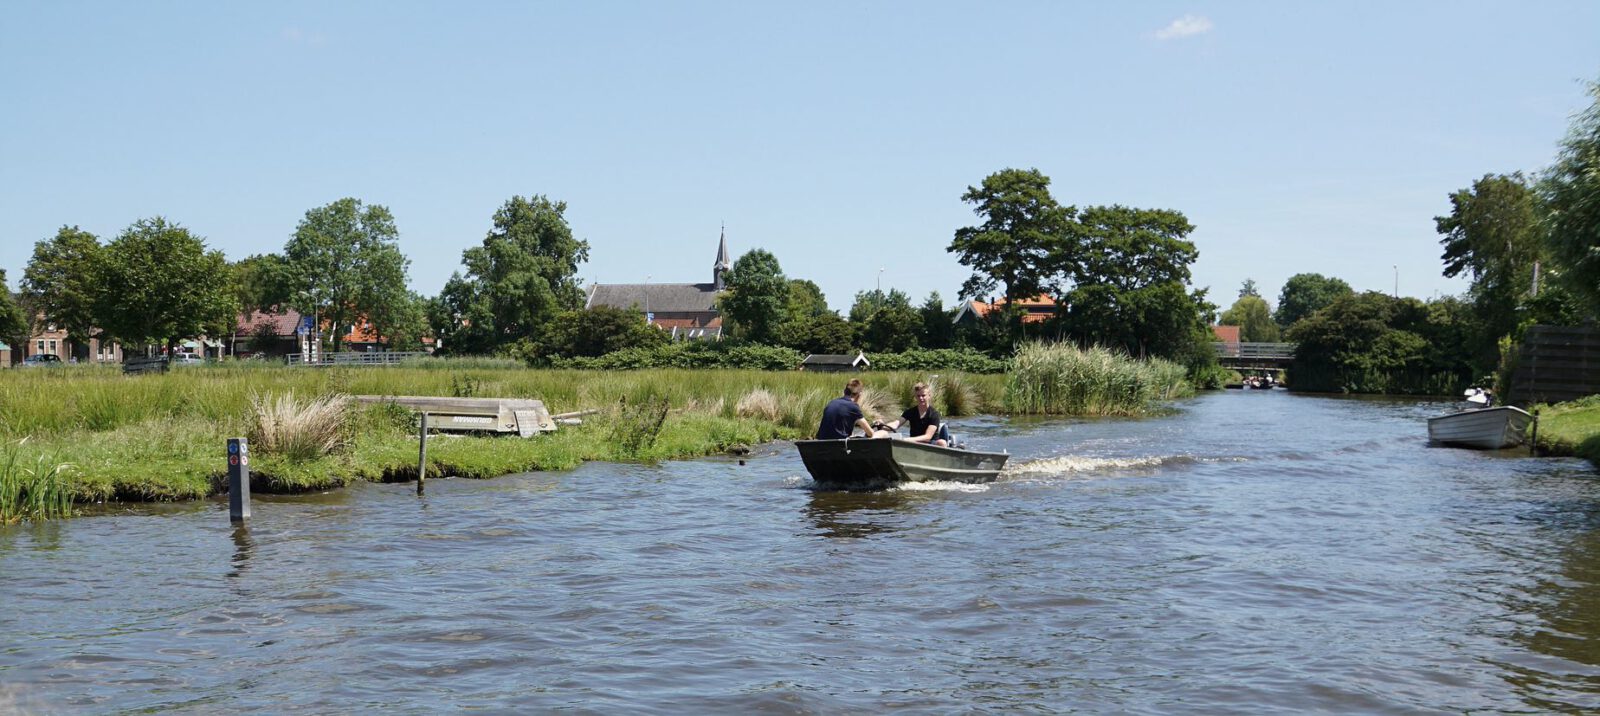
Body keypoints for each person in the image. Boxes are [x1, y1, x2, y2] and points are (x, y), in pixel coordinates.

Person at [879, 381, 947, 446]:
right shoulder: (910, 412)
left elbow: (927, 437)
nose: (921, 398)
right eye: (918, 396)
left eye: (923, 395)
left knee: (942, 442)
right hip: (914, 444)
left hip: (930, 444)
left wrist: (906, 440)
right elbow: (896, 424)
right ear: (915, 397)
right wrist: (881, 426)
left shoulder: (934, 414)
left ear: (929, 396)